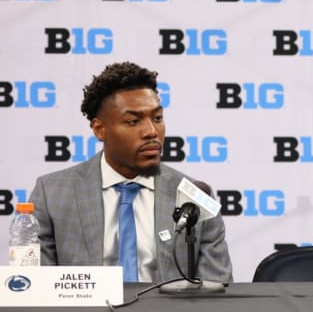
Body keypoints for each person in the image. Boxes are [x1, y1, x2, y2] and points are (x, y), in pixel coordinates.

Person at [29, 61, 233, 283]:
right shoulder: (52, 195)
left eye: (157, 118)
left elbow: (218, 289)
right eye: (133, 121)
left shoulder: (195, 197)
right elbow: (37, 289)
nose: (151, 132)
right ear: (100, 129)